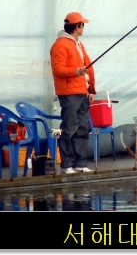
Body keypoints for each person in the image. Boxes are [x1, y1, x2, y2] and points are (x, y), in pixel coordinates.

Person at [50, 11, 96, 174]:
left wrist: (90, 90)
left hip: (82, 93)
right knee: (69, 128)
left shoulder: (78, 44)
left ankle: (80, 163)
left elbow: (88, 68)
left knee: (82, 128)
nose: (84, 27)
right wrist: (76, 72)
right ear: (77, 26)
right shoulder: (60, 45)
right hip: (69, 94)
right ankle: (67, 165)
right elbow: (58, 69)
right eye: (82, 24)